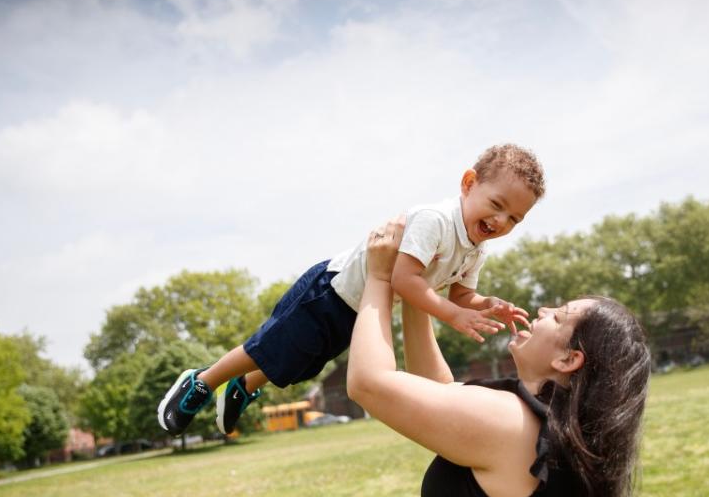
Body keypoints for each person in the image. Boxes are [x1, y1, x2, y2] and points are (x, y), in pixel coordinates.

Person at [347, 218, 651, 497]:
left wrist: (381, 277)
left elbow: (368, 384)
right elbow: (442, 395)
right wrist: (418, 292)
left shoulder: (509, 422)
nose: (542, 310)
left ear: (567, 359)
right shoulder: (566, 428)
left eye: (558, 317)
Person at [157, 144, 544, 437]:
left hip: (360, 311)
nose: (500, 220)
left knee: (300, 364)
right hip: (330, 291)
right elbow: (404, 280)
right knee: (269, 345)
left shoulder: (475, 248)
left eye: (514, 218)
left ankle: (243, 386)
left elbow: (461, 296)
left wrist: (489, 305)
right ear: (468, 183)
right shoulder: (436, 222)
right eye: (496, 204)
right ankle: (202, 381)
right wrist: (452, 315)